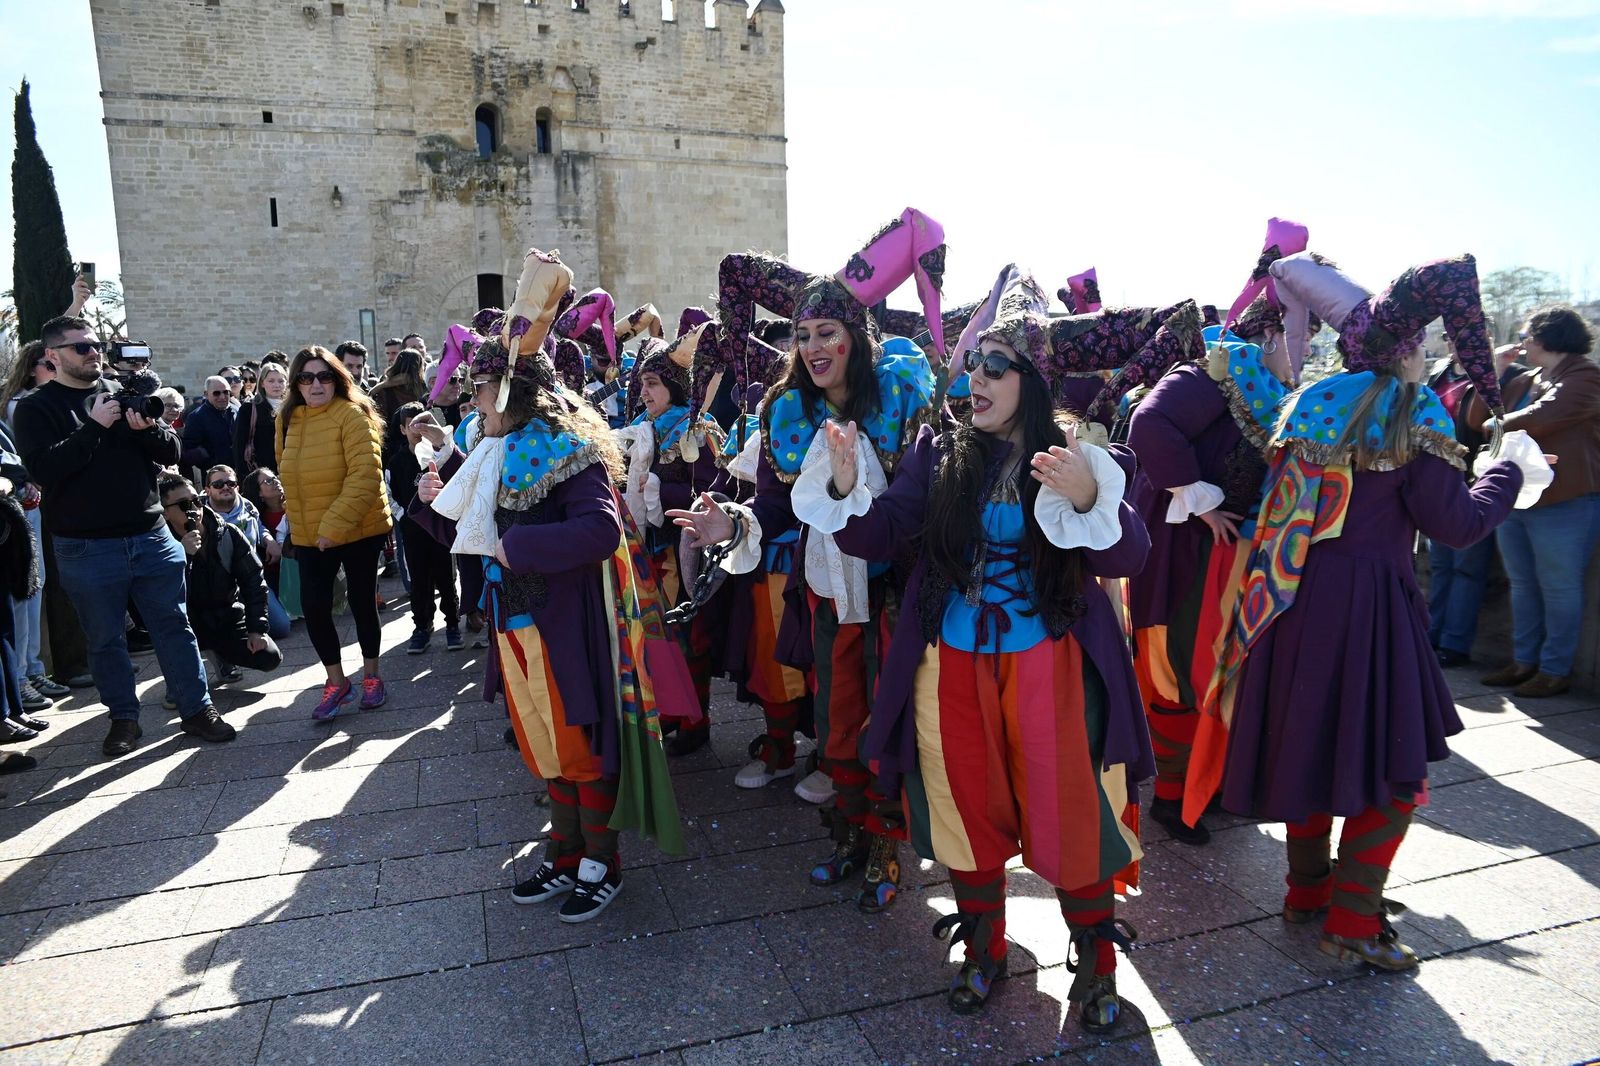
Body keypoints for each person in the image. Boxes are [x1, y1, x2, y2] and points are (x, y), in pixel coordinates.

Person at [771, 279, 1174, 1029]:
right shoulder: (938, 451)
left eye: (997, 366)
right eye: (974, 365)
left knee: (1072, 809)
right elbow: (877, 534)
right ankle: (985, 947)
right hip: (947, 664)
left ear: (1033, 380)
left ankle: (1094, 963)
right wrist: (847, 482)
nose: (976, 379)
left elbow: (1131, 557)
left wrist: (1090, 498)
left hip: (1049, 666)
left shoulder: (1078, 454)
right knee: (962, 808)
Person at [1207, 253, 1536, 972]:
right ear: (1409, 347)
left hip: (1290, 603)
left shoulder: (1310, 402)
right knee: (1394, 770)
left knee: (1310, 749)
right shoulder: (1412, 407)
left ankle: (1307, 892)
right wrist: (1508, 472)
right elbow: (1454, 525)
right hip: (1371, 609)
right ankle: (1353, 920)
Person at [670, 209, 949, 912]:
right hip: (827, 595)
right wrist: (724, 520)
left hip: (895, 596)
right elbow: (771, 506)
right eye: (803, 335)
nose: (815, 344)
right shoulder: (786, 414)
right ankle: (849, 837)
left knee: (893, 726)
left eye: (828, 332)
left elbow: (922, 504)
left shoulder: (904, 401)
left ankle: (890, 849)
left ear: (855, 338)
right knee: (836, 725)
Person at [415, 248, 685, 922]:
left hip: (566, 627)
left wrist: (520, 544)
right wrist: (429, 502)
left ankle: (601, 861)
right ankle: (565, 854)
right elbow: (471, 533)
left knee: (579, 746)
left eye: (479, 390)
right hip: (516, 625)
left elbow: (598, 532)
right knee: (543, 744)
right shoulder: (495, 444)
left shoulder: (568, 448)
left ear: (507, 392)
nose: (471, 400)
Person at [14, 315, 236, 757]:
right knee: (105, 639)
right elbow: (45, 470)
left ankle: (197, 709)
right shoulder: (37, 407)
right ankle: (124, 720)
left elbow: (171, 453)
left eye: (95, 345)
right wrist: (94, 426)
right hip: (86, 547)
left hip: (150, 535)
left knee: (175, 626)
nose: (93, 352)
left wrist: (150, 429)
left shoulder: (124, 394)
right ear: (53, 356)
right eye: (81, 347)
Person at [1468, 305, 1600, 697]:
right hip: (1517, 498)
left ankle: (1554, 670)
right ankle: (1524, 662)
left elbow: (1545, 415)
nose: (1522, 342)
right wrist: (1492, 371)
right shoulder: (1525, 378)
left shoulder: (1586, 376)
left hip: (1566, 499)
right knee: (1522, 584)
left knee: (1560, 587)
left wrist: (1498, 424)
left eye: (1527, 335)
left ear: (1546, 337)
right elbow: (1479, 417)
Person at [617, 313, 725, 755]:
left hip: (684, 554)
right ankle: (668, 715)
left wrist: (661, 486)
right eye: (642, 384)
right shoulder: (642, 430)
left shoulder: (695, 428)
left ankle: (695, 722)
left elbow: (714, 488)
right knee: (656, 638)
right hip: (650, 552)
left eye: (653, 385)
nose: (644, 393)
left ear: (676, 387)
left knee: (688, 640)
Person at [276, 346, 393, 719]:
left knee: (362, 602)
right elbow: (286, 471)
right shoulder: (288, 419)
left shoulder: (354, 415)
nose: (316, 384)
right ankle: (336, 681)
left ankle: (371, 676)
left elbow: (365, 476)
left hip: (359, 526)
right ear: (296, 383)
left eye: (324, 376)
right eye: (307, 377)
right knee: (314, 607)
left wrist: (333, 526)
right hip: (311, 532)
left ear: (338, 380)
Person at [1424, 336, 1528, 668]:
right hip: (1436, 479)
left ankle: (1454, 644)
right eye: (1449, 336)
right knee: (1441, 567)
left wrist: (1494, 370)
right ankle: (1429, 636)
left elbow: (1496, 422)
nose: (1454, 342)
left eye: (1466, 334)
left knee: (1467, 569)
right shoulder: (1439, 372)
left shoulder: (1509, 375)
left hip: (1474, 479)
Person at [160, 475, 283, 684]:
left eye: (196, 501)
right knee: (182, 689)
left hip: (227, 619)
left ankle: (221, 655)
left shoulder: (227, 533)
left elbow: (254, 582)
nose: (194, 509)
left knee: (269, 657)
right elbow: (164, 597)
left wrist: (257, 630)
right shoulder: (160, 545)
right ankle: (180, 676)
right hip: (186, 625)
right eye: (183, 504)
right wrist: (183, 556)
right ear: (165, 513)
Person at [386, 401, 461, 652]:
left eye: (424, 425)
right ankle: (422, 625)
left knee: (447, 578)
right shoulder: (396, 462)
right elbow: (389, 493)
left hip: (440, 530)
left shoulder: (438, 455)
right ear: (402, 429)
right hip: (412, 532)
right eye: (412, 426)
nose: (418, 431)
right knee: (419, 580)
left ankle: (452, 624)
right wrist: (405, 515)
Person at [204, 464, 291, 640]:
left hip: (252, 580)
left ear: (237, 486)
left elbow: (259, 527)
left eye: (230, 483)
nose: (225, 487)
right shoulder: (202, 515)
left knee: (282, 628)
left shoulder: (248, 506)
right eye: (218, 484)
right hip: (218, 587)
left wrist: (269, 540)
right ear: (208, 490)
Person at [234, 358, 288, 475]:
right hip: (260, 472)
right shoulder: (249, 408)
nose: (276, 385)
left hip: (289, 469)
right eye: (271, 381)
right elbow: (240, 445)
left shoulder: (294, 407)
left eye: (280, 381)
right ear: (262, 383)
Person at [182, 375, 239, 477]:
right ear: (206, 394)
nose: (222, 396)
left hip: (238, 471)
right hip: (213, 475)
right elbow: (190, 448)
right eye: (216, 393)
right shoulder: (196, 417)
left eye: (226, 392)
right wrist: (209, 460)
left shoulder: (237, 411)